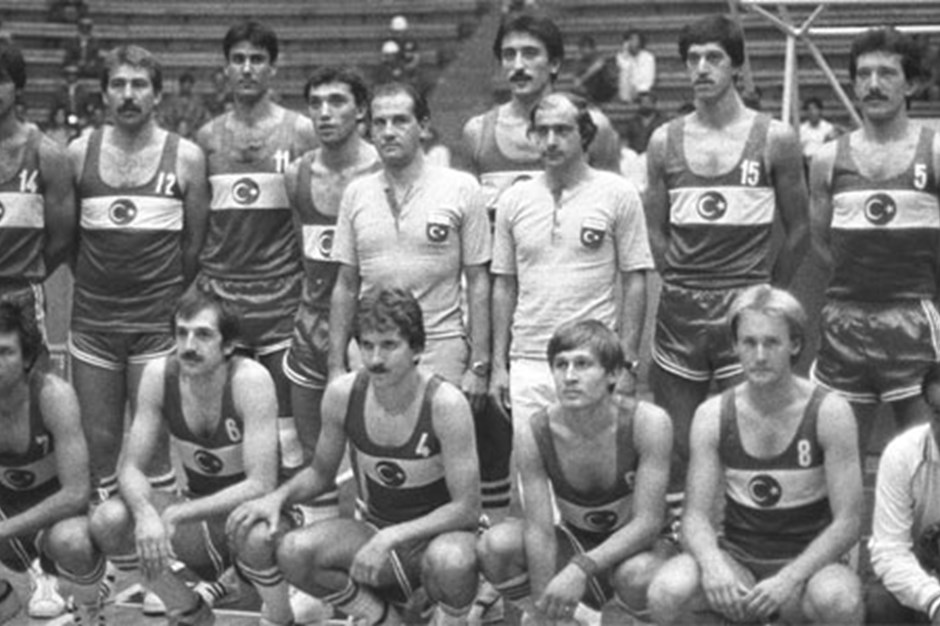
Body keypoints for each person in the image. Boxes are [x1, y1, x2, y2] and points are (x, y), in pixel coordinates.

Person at [227, 288, 482, 626]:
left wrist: (393, 536)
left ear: (417, 349)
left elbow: (467, 508)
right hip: (375, 528)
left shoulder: (445, 404)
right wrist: (277, 498)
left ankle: (451, 620)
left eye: (389, 345)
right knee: (293, 551)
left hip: (438, 539)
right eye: (367, 345)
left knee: (453, 561)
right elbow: (320, 473)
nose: (375, 359)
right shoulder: (343, 394)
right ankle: (381, 618)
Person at [645, 14, 810, 512]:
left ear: (736, 66)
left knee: (752, 431)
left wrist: (767, 294)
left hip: (746, 300)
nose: (701, 68)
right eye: (692, 59)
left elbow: (800, 229)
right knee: (678, 440)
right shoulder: (663, 141)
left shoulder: (775, 138)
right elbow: (655, 231)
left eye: (713, 57)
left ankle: (750, 531)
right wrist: (678, 279)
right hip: (681, 308)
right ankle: (683, 533)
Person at [327, 82, 506, 516]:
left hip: (441, 347)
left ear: (423, 126)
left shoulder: (461, 188)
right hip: (372, 348)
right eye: (380, 123)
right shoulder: (356, 193)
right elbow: (345, 284)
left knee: (444, 469)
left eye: (400, 121)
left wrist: (479, 363)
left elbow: (478, 280)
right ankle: (379, 538)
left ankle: (457, 548)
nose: (388, 131)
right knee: (378, 457)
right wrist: (335, 364)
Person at [647, 285, 864, 625]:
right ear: (734, 346)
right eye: (749, 342)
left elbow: (849, 521)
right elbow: (695, 517)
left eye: (772, 342)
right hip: (739, 561)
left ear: (794, 345)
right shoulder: (713, 414)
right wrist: (714, 566)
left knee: (840, 601)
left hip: (810, 568)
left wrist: (789, 578)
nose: (760, 355)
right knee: (667, 591)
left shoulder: (830, 412)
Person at [68, 44, 210, 502]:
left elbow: (194, 246)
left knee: (155, 447)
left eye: (139, 85)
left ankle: (162, 535)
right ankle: (110, 542)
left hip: (156, 324)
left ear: (157, 94)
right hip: (93, 322)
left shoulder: (187, 157)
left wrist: (164, 294)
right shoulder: (78, 153)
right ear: (104, 94)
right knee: (99, 444)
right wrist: (99, 282)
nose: (128, 95)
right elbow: (68, 241)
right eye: (118, 85)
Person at [89, 289, 280, 625]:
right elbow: (130, 468)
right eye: (182, 333)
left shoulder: (250, 380)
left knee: (258, 535)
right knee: (109, 519)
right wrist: (145, 513)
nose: (189, 346)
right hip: (199, 518)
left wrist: (177, 513)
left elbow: (260, 485)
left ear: (228, 346)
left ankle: (281, 616)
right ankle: (188, 610)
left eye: (203, 335)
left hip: (252, 521)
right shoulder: (159, 376)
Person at [478, 319, 673, 624]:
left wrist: (581, 567)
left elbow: (648, 523)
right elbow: (539, 530)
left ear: (613, 374)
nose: (569, 377)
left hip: (642, 548)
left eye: (583, 364)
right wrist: (544, 609)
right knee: (496, 544)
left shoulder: (648, 423)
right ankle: (575, 618)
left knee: (638, 575)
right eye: (561, 365)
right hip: (579, 540)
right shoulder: (536, 432)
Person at [491, 91, 653, 447]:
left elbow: (635, 281)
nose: (551, 141)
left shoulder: (618, 193)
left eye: (562, 130)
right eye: (542, 131)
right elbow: (504, 285)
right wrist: (499, 365)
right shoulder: (513, 199)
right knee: (531, 470)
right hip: (528, 359)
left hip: (592, 359)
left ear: (585, 135)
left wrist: (627, 364)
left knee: (594, 471)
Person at [194, 20, 318, 484]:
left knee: (287, 426)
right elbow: (199, 224)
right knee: (228, 422)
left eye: (257, 59)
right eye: (238, 59)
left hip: (282, 296)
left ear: (273, 68)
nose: (247, 68)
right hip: (222, 296)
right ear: (226, 68)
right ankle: (232, 516)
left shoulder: (301, 132)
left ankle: (289, 514)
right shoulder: (206, 138)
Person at [809, 27, 940, 455]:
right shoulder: (828, 159)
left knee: (926, 455)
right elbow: (821, 244)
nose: (873, 84)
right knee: (837, 454)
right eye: (863, 74)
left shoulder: (935, 151)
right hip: (845, 319)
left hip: (914, 317)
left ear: (912, 84)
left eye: (886, 73)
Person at [282, 65, 380, 524]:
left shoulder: (382, 170)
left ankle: (374, 541)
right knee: (311, 449)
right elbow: (303, 250)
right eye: (316, 103)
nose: (324, 112)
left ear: (361, 110)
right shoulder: (297, 174)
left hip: (372, 327)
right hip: (311, 325)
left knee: (376, 448)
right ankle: (316, 543)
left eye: (337, 101)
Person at [0, 42, 77, 620]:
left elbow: (61, 238)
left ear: (17, 86)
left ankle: (47, 571)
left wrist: (20, 280)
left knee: (39, 430)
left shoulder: (46, 154)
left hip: (21, 298)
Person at [0, 301, 106, 625]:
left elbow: (75, 494)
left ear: (27, 358)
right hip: (8, 513)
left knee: (72, 542)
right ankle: (7, 604)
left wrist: (4, 529)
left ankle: (89, 612)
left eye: (5, 352)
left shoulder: (53, 396)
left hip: (61, 516)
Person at [461, 13, 621, 218]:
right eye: (509, 55)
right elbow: (466, 222)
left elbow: (616, 213)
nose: (518, 66)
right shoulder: (477, 133)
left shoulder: (594, 127)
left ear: (554, 63)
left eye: (530, 54)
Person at [868, 363, 940, 624]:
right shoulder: (902, 454)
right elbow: (890, 550)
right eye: (939, 413)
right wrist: (934, 601)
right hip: (919, 576)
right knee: (879, 604)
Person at [159, 72, 210, 139]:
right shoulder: (171, 101)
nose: (186, 87)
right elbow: (164, 118)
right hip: (173, 133)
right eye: (184, 85)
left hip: (193, 135)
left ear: (192, 86)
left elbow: (205, 119)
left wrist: (193, 130)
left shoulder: (198, 102)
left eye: (189, 85)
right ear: (180, 85)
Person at [572, 35, 616, 105]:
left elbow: (598, 66)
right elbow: (576, 82)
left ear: (592, 48)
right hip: (589, 91)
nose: (584, 50)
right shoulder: (580, 62)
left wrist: (582, 78)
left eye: (586, 47)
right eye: (582, 48)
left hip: (603, 89)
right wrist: (579, 84)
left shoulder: (599, 58)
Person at [616, 29, 656, 104]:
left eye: (634, 39)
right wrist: (625, 54)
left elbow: (648, 80)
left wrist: (637, 90)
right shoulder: (621, 57)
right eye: (629, 40)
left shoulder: (648, 57)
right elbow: (624, 73)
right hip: (626, 92)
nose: (632, 42)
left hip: (642, 92)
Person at [798, 97, 836, 165]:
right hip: (805, 163)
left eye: (814, 109)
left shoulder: (828, 128)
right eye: (809, 110)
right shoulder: (801, 129)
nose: (812, 112)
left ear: (820, 111)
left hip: (822, 162)